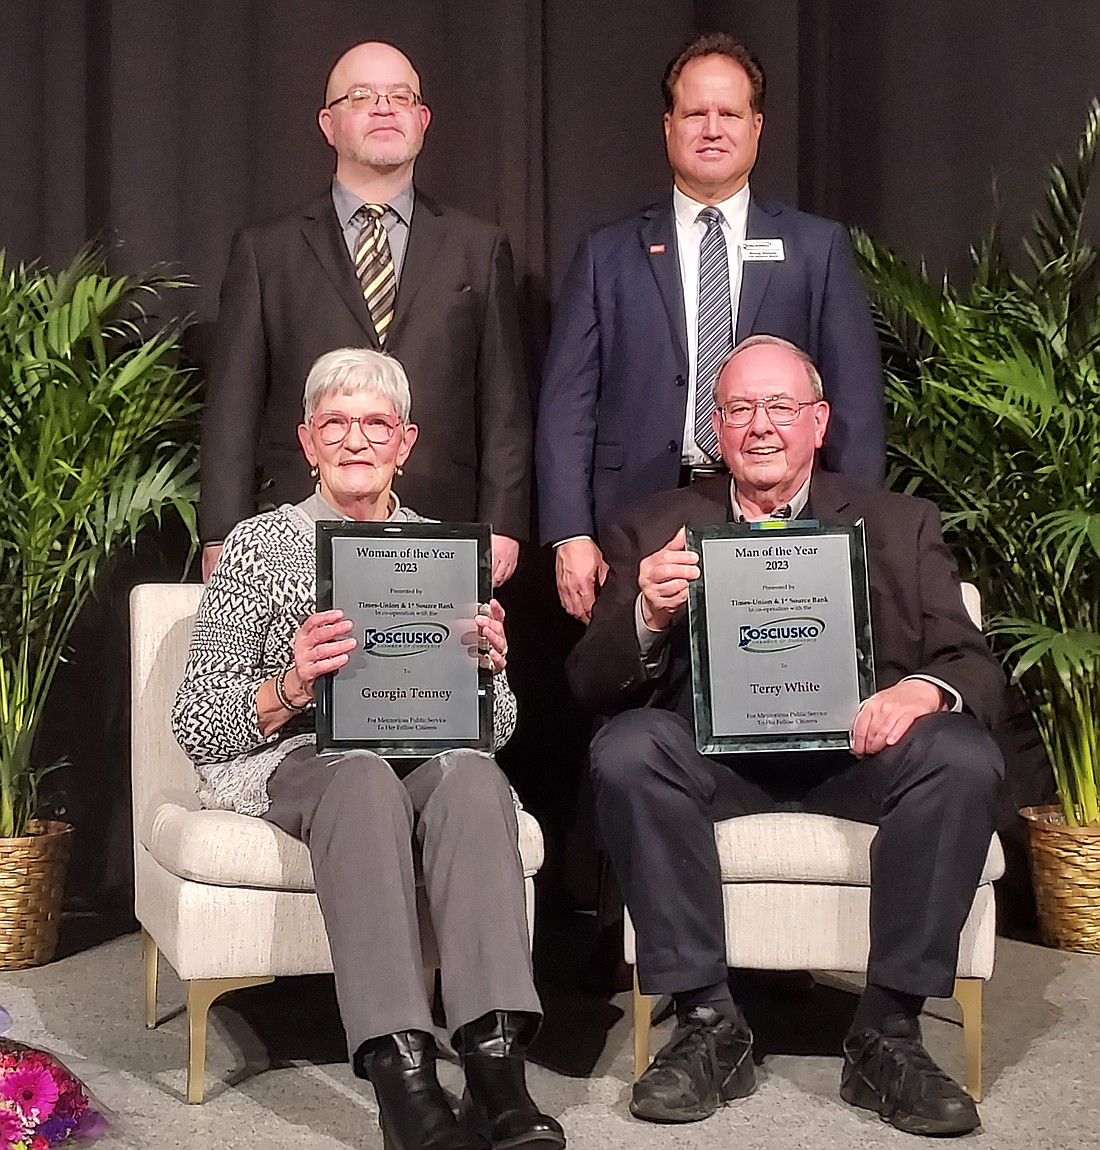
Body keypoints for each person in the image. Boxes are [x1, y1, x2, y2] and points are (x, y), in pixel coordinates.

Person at [566, 335, 1004, 1136]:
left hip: (857, 757)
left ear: (819, 421)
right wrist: (646, 615)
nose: (760, 426)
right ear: (717, 426)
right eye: (739, 409)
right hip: (717, 761)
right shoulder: (653, 525)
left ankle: (888, 1031)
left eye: (780, 408)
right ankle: (707, 1025)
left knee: (962, 754)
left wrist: (917, 689)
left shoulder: (899, 524)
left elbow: (970, 664)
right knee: (629, 747)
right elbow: (591, 685)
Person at [174, 349, 564, 1150]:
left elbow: (499, 728)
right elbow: (199, 720)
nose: (357, 441)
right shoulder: (260, 545)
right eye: (336, 425)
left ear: (407, 441)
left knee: (473, 774)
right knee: (358, 776)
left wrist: (488, 672)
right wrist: (292, 684)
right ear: (308, 442)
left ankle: (495, 1071)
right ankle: (403, 1077)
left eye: (376, 424)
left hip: (415, 754)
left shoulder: (444, 553)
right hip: (298, 761)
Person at [537, 32, 884, 625]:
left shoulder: (816, 248)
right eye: (696, 113)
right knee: (643, 688)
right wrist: (570, 532)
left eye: (729, 113)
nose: (712, 128)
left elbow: (852, 399)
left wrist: (851, 526)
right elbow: (568, 404)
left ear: (757, 126)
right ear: (668, 125)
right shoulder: (607, 254)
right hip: (637, 514)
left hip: (783, 510)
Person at [200, 41, 530, 589]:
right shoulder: (267, 251)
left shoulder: (479, 247)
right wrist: (222, 535)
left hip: (442, 532)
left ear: (422, 120)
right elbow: (233, 407)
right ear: (328, 124)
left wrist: (503, 522)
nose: (383, 107)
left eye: (400, 97)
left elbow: (504, 402)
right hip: (297, 539)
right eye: (362, 96)